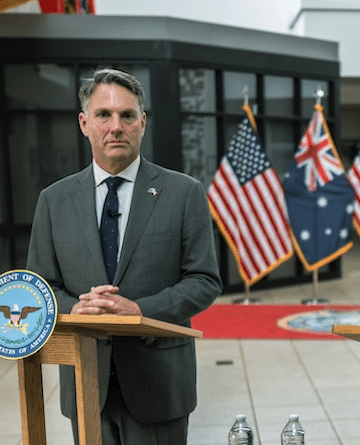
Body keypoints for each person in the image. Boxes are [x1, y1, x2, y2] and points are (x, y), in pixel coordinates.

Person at [27, 68, 223, 445]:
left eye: (127, 115)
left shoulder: (184, 193)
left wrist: (140, 312)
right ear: (85, 123)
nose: (115, 126)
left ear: (142, 123)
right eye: (104, 115)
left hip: (159, 383)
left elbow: (204, 281)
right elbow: (41, 287)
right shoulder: (53, 201)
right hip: (86, 383)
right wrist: (72, 310)